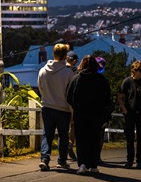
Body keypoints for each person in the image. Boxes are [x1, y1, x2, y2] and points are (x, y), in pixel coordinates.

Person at [66, 55, 112, 175]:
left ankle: (82, 164)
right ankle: (94, 164)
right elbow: (107, 98)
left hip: (80, 114)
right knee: (94, 139)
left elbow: (68, 96)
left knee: (81, 139)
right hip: (96, 114)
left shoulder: (76, 78)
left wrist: (76, 107)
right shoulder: (102, 80)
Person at [38, 43, 74, 171]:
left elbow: (41, 89)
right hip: (63, 109)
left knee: (47, 134)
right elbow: (71, 94)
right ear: (65, 56)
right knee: (63, 136)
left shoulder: (43, 71)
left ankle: (45, 159)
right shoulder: (68, 73)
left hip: (47, 107)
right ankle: (62, 161)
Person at [118, 60, 141, 169]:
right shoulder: (127, 82)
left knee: (140, 138)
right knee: (129, 137)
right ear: (134, 71)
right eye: (140, 71)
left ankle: (139, 161)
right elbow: (120, 97)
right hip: (130, 113)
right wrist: (124, 110)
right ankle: (129, 160)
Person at [95, 56, 114, 165]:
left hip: (102, 112)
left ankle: (97, 156)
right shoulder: (98, 80)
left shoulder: (104, 81)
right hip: (97, 111)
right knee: (97, 134)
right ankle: (95, 156)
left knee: (100, 133)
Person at [65, 50, 78, 161]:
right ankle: (70, 143)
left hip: (60, 101)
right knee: (73, 126)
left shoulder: (62, 71)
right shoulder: (76, 72)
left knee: (62, 126)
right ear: (74, 61)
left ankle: (63, 146)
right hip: (72, 102)